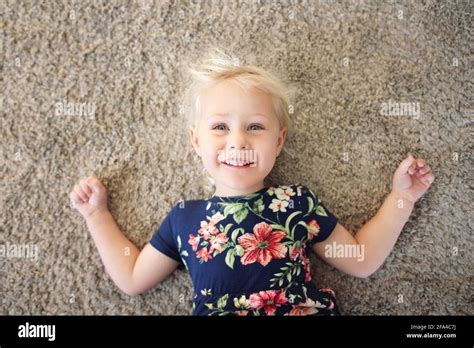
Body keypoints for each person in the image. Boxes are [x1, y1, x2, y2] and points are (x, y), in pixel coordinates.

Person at [69, 47, 435, 315]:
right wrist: (96, 215)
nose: (238, 140)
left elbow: (362, 260)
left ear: (278, 141)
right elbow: (133, 279)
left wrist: (402, 197)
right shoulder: (183, 218)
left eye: (255, 127)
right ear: (196, 141)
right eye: (220, 127)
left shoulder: (296, 202)